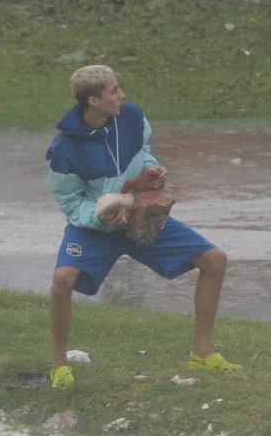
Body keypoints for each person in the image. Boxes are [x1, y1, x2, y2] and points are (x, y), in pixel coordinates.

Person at [45, 64, 242, 388]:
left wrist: (152, 171)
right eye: (113, 91)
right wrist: (101, 215)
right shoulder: (63, 150)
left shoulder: (132, 117)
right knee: (62, 279)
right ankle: (60, 366)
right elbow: (70, 203)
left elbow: (144, 154)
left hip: (141, 217)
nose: (121, 96)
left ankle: (203, 354)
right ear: (93, 101)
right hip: (94, 230)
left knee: (215, 260)